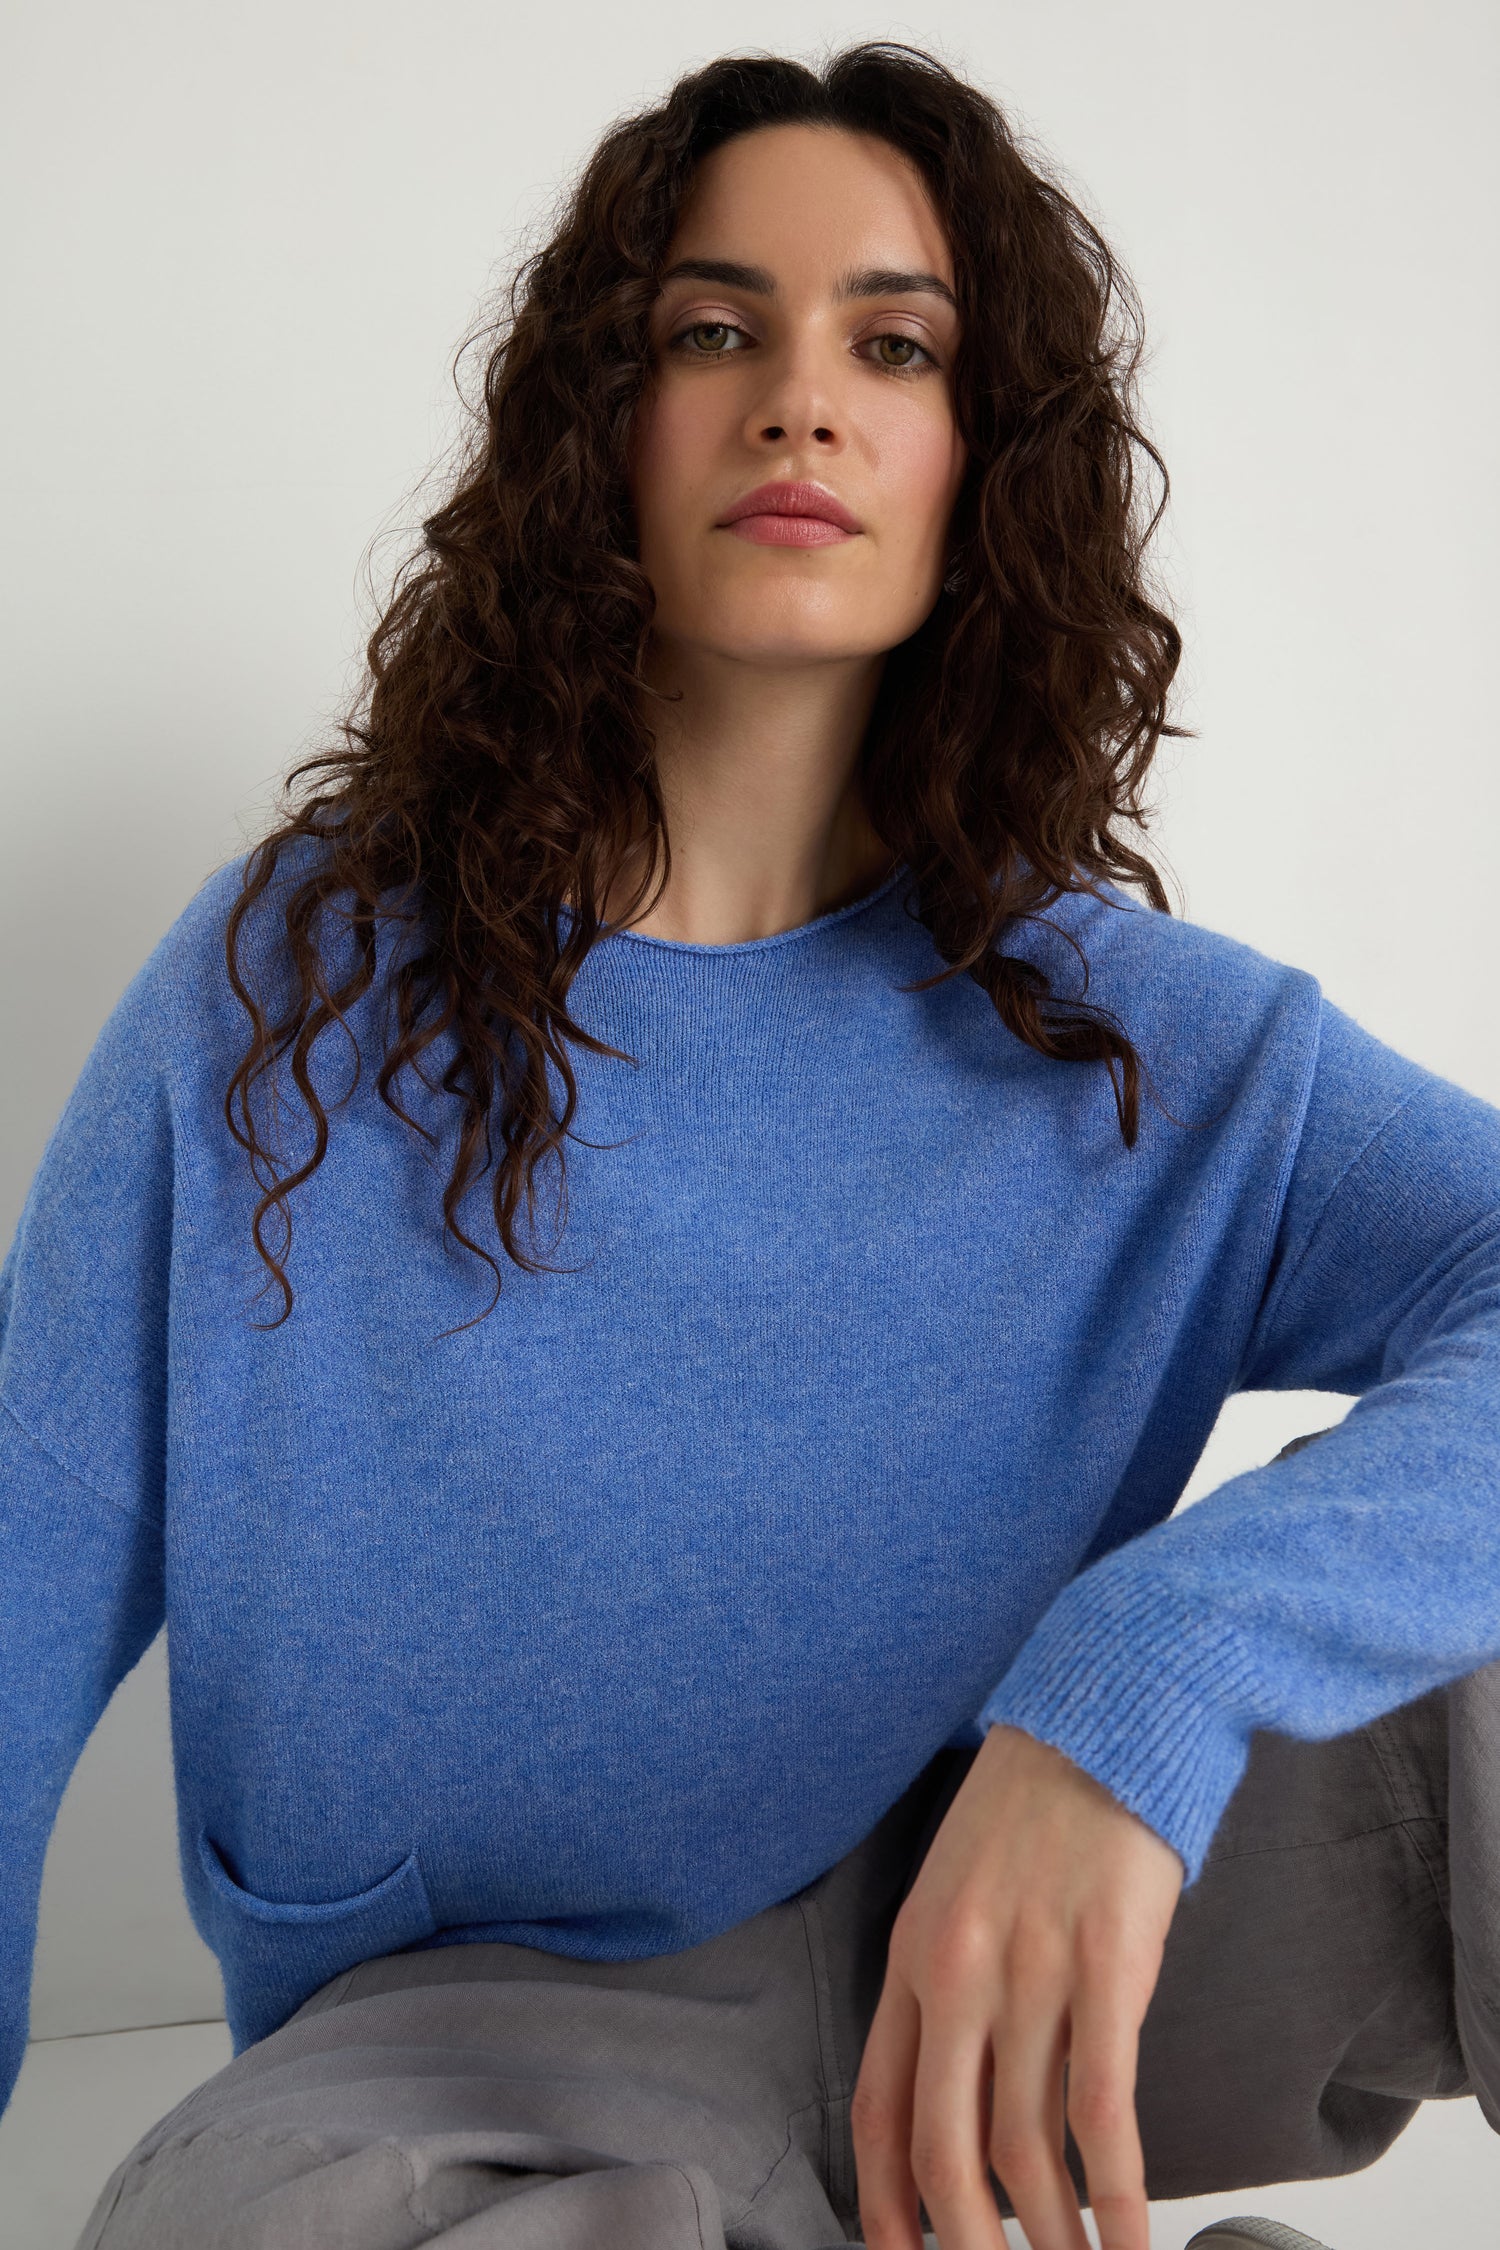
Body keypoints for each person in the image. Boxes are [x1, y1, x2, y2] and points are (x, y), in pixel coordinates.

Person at [1, 39, 1495, 2250]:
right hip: (488, 2054)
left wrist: (1132, 1699)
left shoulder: (1140, 1043)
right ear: (599, 426)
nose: (802, 400)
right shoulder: (287, 996)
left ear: (985, 461)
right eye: (715, 330)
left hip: (1034, 1958)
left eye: (894, 344)